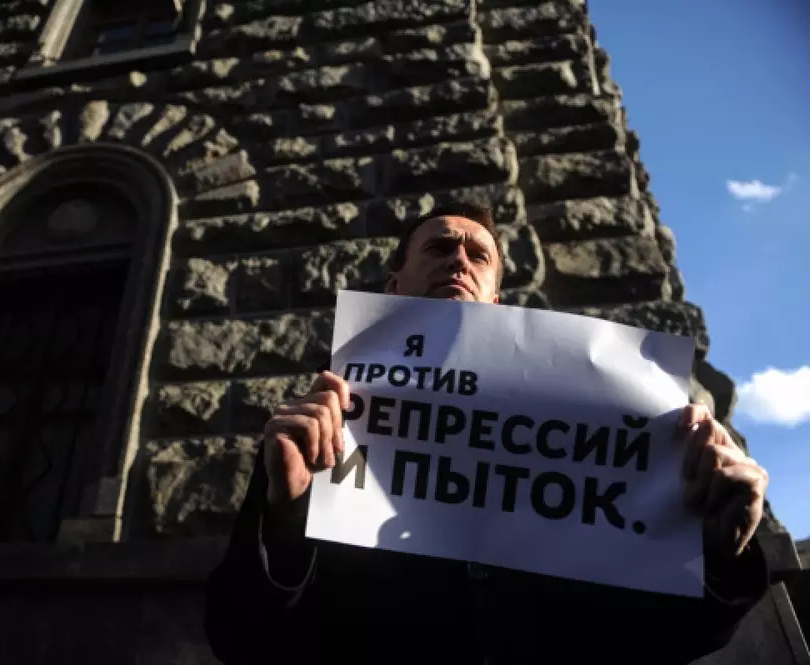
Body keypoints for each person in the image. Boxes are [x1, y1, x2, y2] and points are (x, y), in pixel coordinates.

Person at [203, 204, 771, 665]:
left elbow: (661, 640)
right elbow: (241, 640)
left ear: (496, 302)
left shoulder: (600, 426)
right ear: (394, 286)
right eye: (439, 247)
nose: (459, 260)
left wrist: (719, 556)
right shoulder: (322, 437)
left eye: (478, 255)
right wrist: (286, 524)